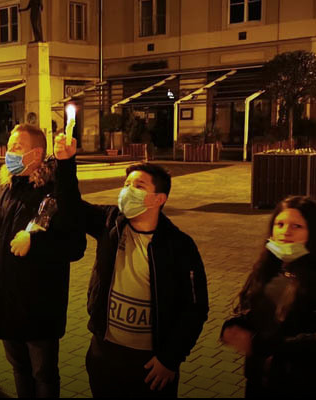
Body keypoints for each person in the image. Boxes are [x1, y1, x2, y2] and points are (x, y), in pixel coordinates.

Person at [53, 131, 208, 397]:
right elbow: (70, 207)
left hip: (151, 362)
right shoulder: (110, 222)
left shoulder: (179, 246)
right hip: (105, 351)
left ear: (159, 199)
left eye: (138, 186)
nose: (127, 190)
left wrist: (170, 359)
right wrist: (66, 163)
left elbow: (195, 308)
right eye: (126, 184)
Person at [0, 124, 87, 398]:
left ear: (36, 154)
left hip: (39, 302)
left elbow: (74, 245)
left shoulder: (54, 191)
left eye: (17, 148)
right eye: (9, 147)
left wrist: (35, 243)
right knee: (18, 368)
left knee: (43, 373)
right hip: (5, 298)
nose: (8, 154)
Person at [221, 196, 316, 398]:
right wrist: (235, 324)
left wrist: (270, 345)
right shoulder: (266, 266)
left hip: (298, 384)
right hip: (257, 380)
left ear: (313, 233)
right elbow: (249, 309)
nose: (285, 231)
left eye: (297, 226)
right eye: (280, 224)